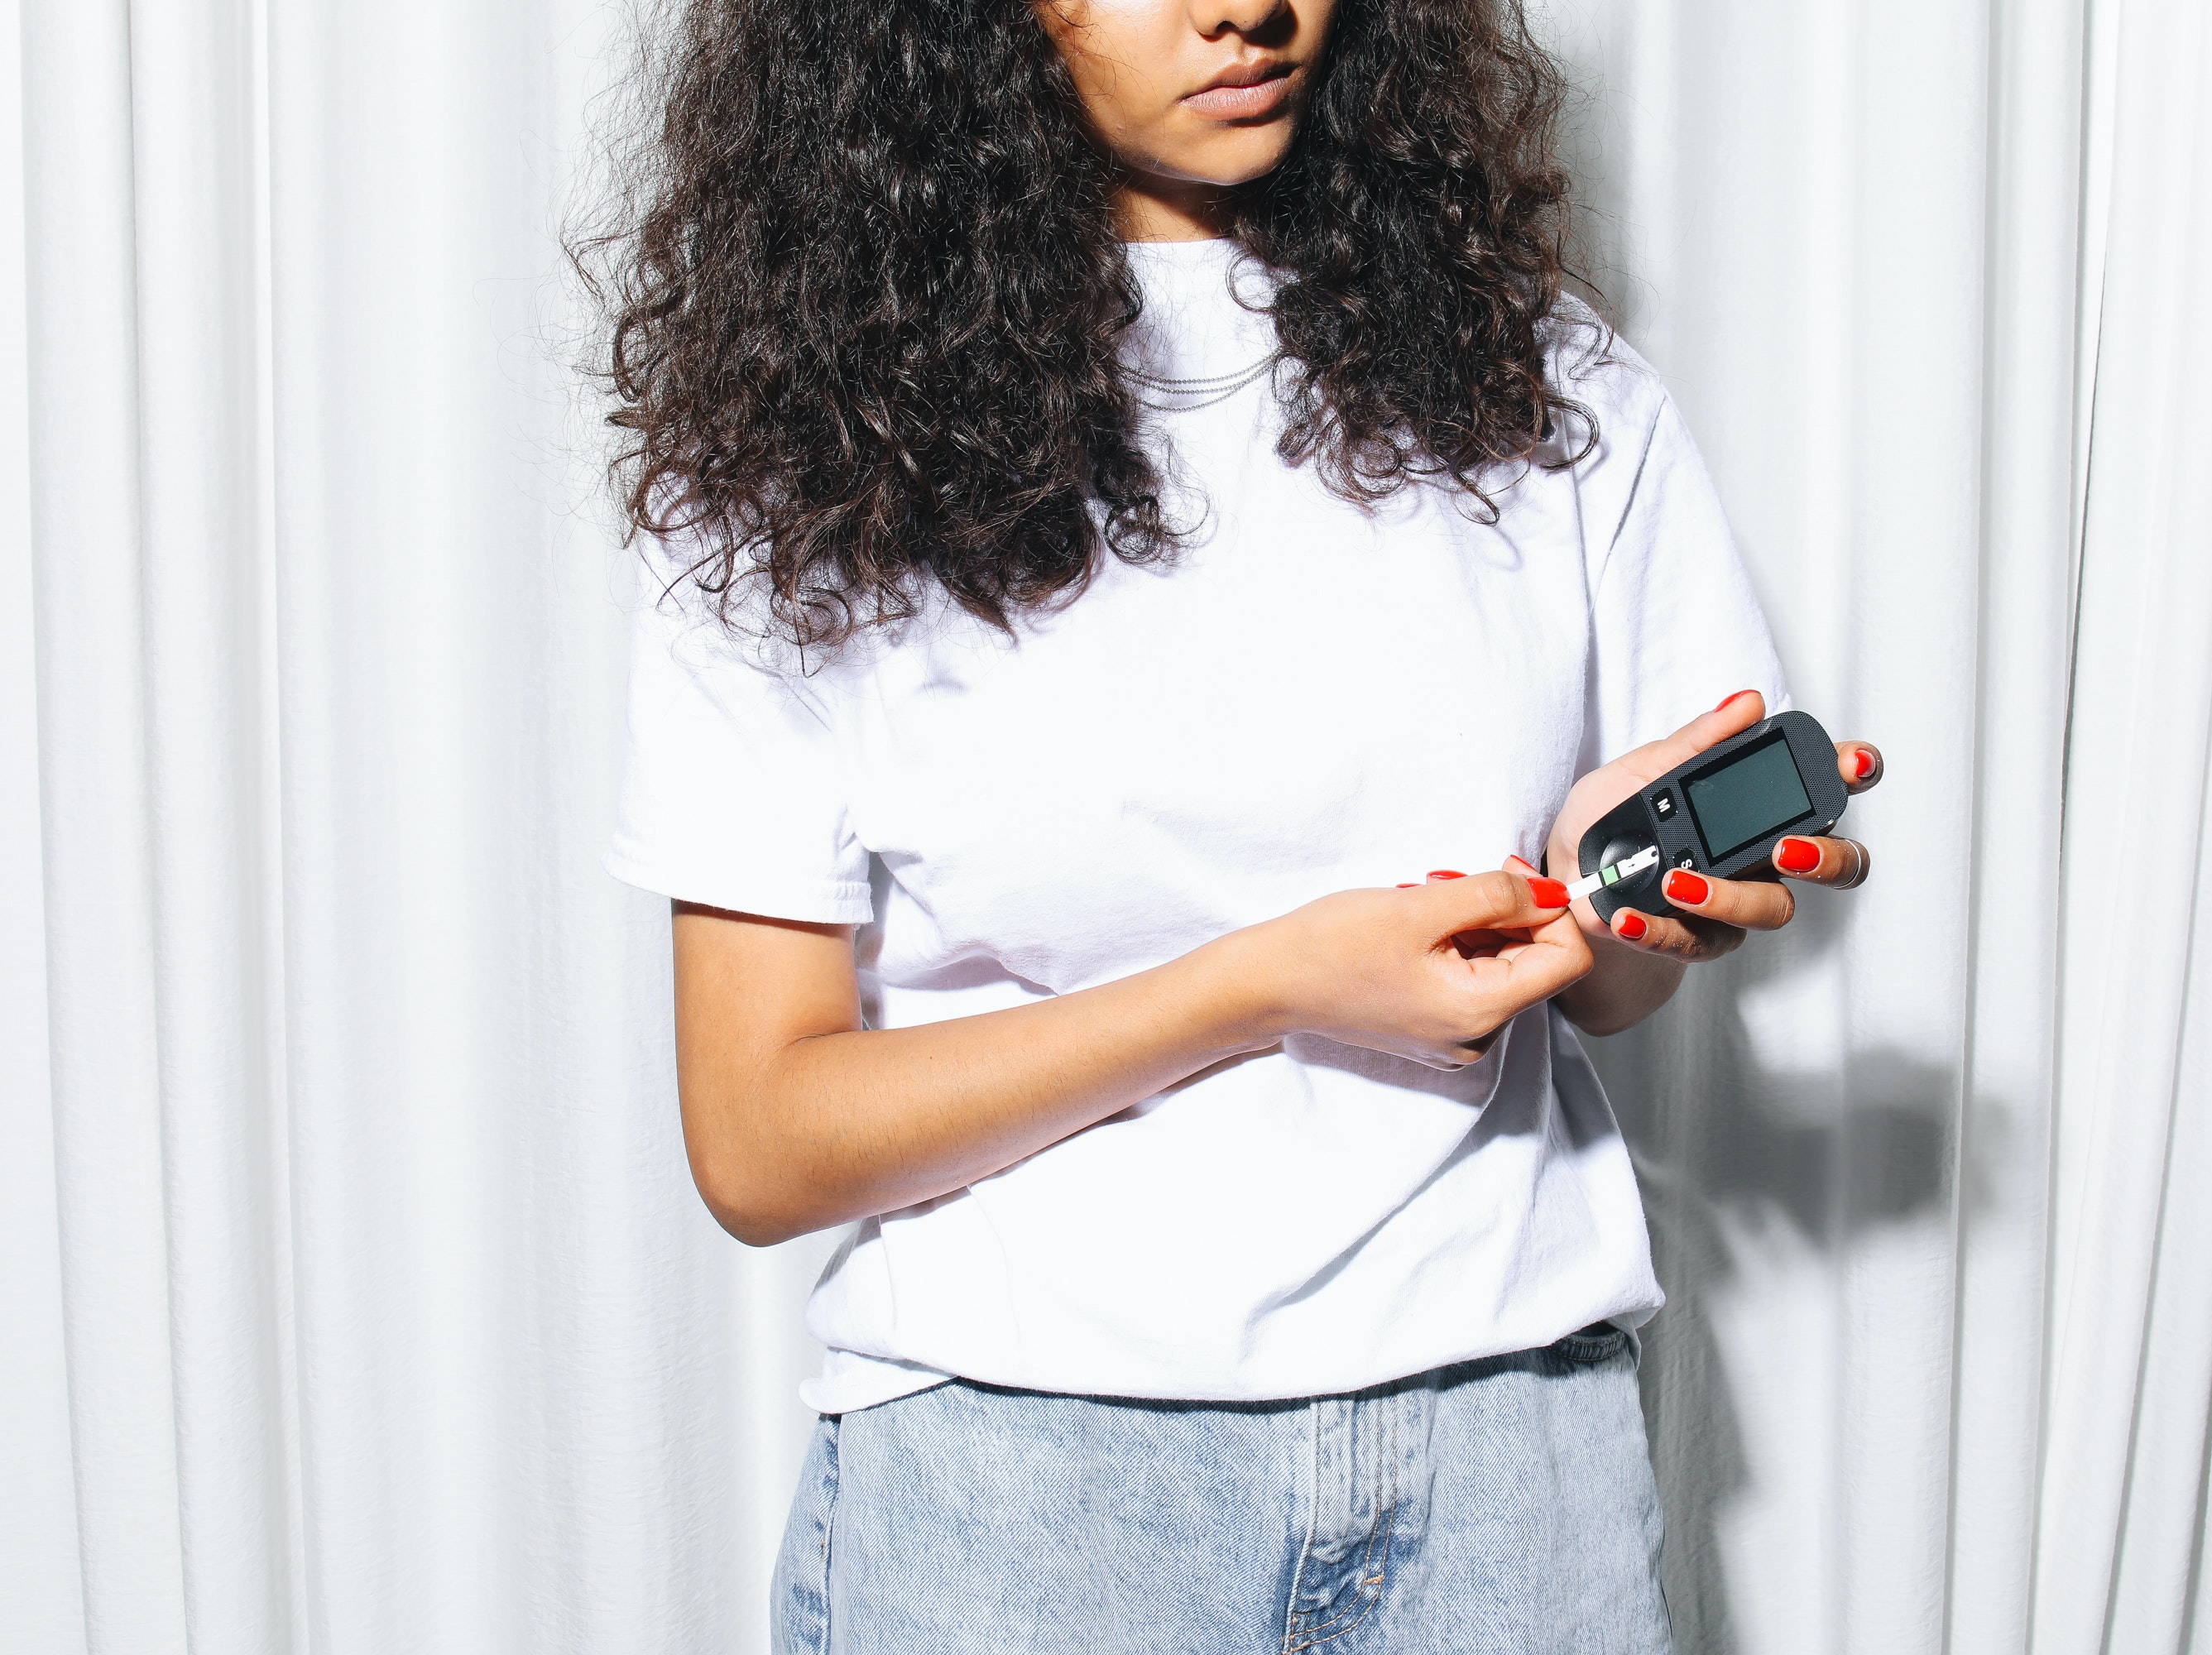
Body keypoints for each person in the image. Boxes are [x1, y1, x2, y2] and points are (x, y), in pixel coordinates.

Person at [588, 1, 1880, 1649]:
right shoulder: (807, 462)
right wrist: (1262, 986)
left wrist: (1614, 906)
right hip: (1027, 1490)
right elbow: (763, 1138)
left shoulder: (1539, 380)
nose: (1247, 3)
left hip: (1505, 1461)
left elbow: (1608, 993)